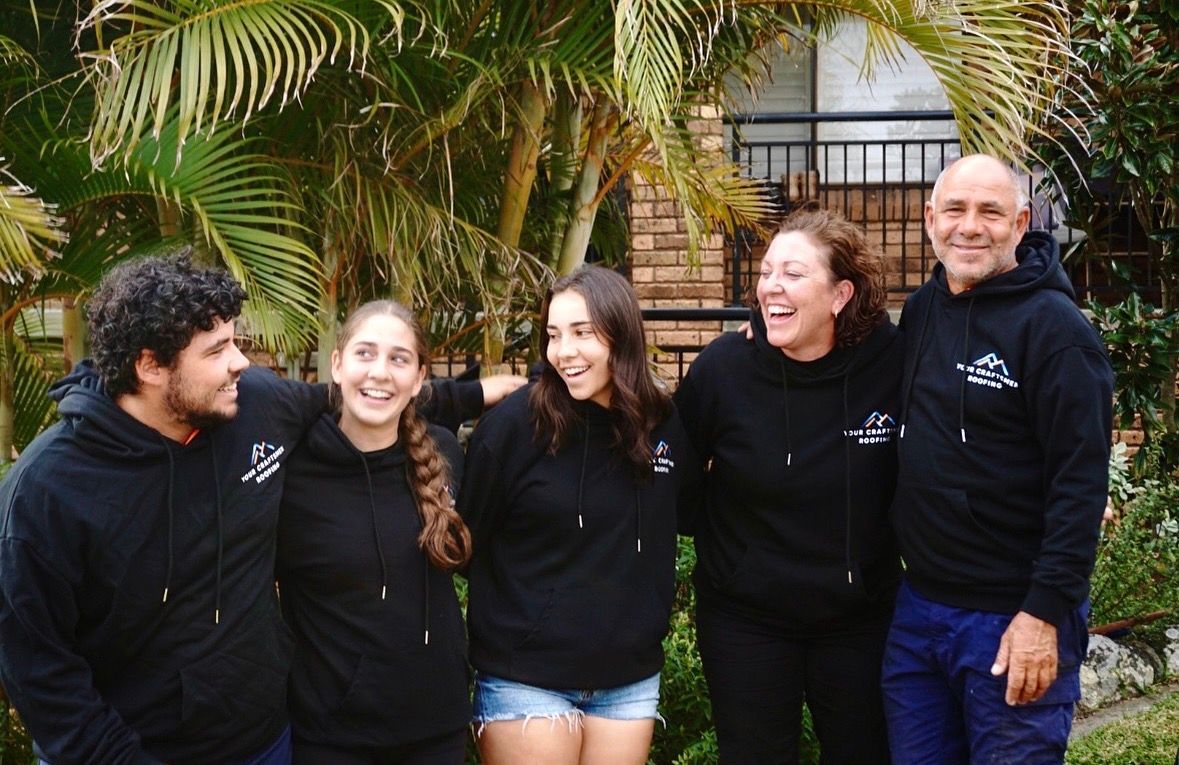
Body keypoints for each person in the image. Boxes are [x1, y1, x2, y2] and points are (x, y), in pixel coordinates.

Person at [0, 253, 513, 764]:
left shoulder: (252, 404)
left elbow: (363, 397)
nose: (240, 362)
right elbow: (42, 675)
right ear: (150, 365)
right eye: (218, 349)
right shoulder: (45, 493)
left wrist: (473, 394)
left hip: (261, 744)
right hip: (123, 751)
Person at [880, 154, 1114, 764]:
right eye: (955, 209)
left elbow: (1080, 488)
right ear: (930, 218)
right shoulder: (925, 309)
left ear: (1020, 221)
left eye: (990, 211)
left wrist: (1042, 614)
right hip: (920, 611)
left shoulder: (1056, 331)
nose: (970, 226)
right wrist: (770, 338)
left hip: (1013, 619)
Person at [674, 208, 902, 763]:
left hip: (859, 618)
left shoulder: (893, 363)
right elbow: (675, 476)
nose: (771, 285)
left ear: (841, 294)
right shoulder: (725, 368)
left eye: (794, 275)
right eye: (768, 270)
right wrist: (730, 550)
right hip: (745, 618)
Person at [459, 265, 698, 765]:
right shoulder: (512, 429)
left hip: (628, 678)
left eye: (582, 333)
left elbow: (684, 512)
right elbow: (467, 543)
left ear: (622, 334)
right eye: (553, 335)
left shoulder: (662, 423)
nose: (563, 351)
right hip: (525, 675)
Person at [277, 300, 472, 764]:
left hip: (437, 729)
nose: (380, 373)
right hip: (331, 737)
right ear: (338, 365)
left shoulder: (443, 452)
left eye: (398, 358)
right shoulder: (291, 470)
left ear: (420, 377)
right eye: (365, 354)